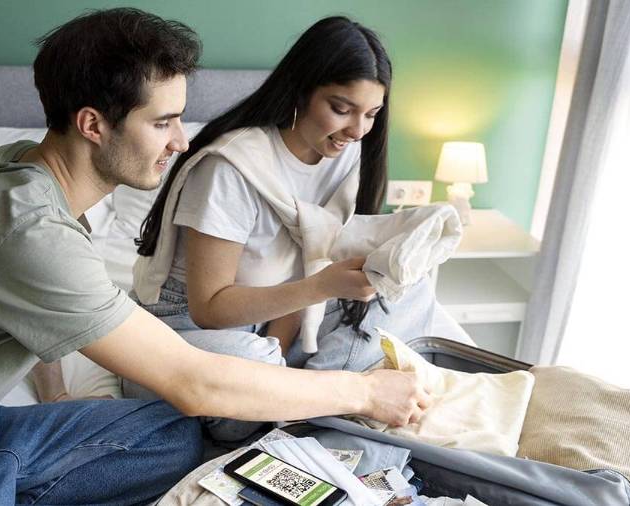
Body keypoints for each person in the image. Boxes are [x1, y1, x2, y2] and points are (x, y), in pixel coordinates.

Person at [0, 8, 430, 505]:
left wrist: (55, 405)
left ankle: (3, 478)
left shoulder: (23, 171)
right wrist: (365, 394)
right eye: (164, 124)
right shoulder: (28, 231)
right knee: (195, 410)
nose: (181, 142)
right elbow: (193, 381)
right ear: (93, 125)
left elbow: (24, 320)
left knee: (171, 439)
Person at [132, 16, 469, 416]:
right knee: (252, 363)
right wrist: (319, 289)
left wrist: (285, 338)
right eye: (341, 109)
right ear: (301, 90)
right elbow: (210, 309)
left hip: (278, 311)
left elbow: (302, 262)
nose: (358, 130)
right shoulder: (231, 168)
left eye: (372, 113)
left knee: (410, 291)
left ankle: (312, 399)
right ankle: (335, 395)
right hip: (194, 323)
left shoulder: (345, 156)